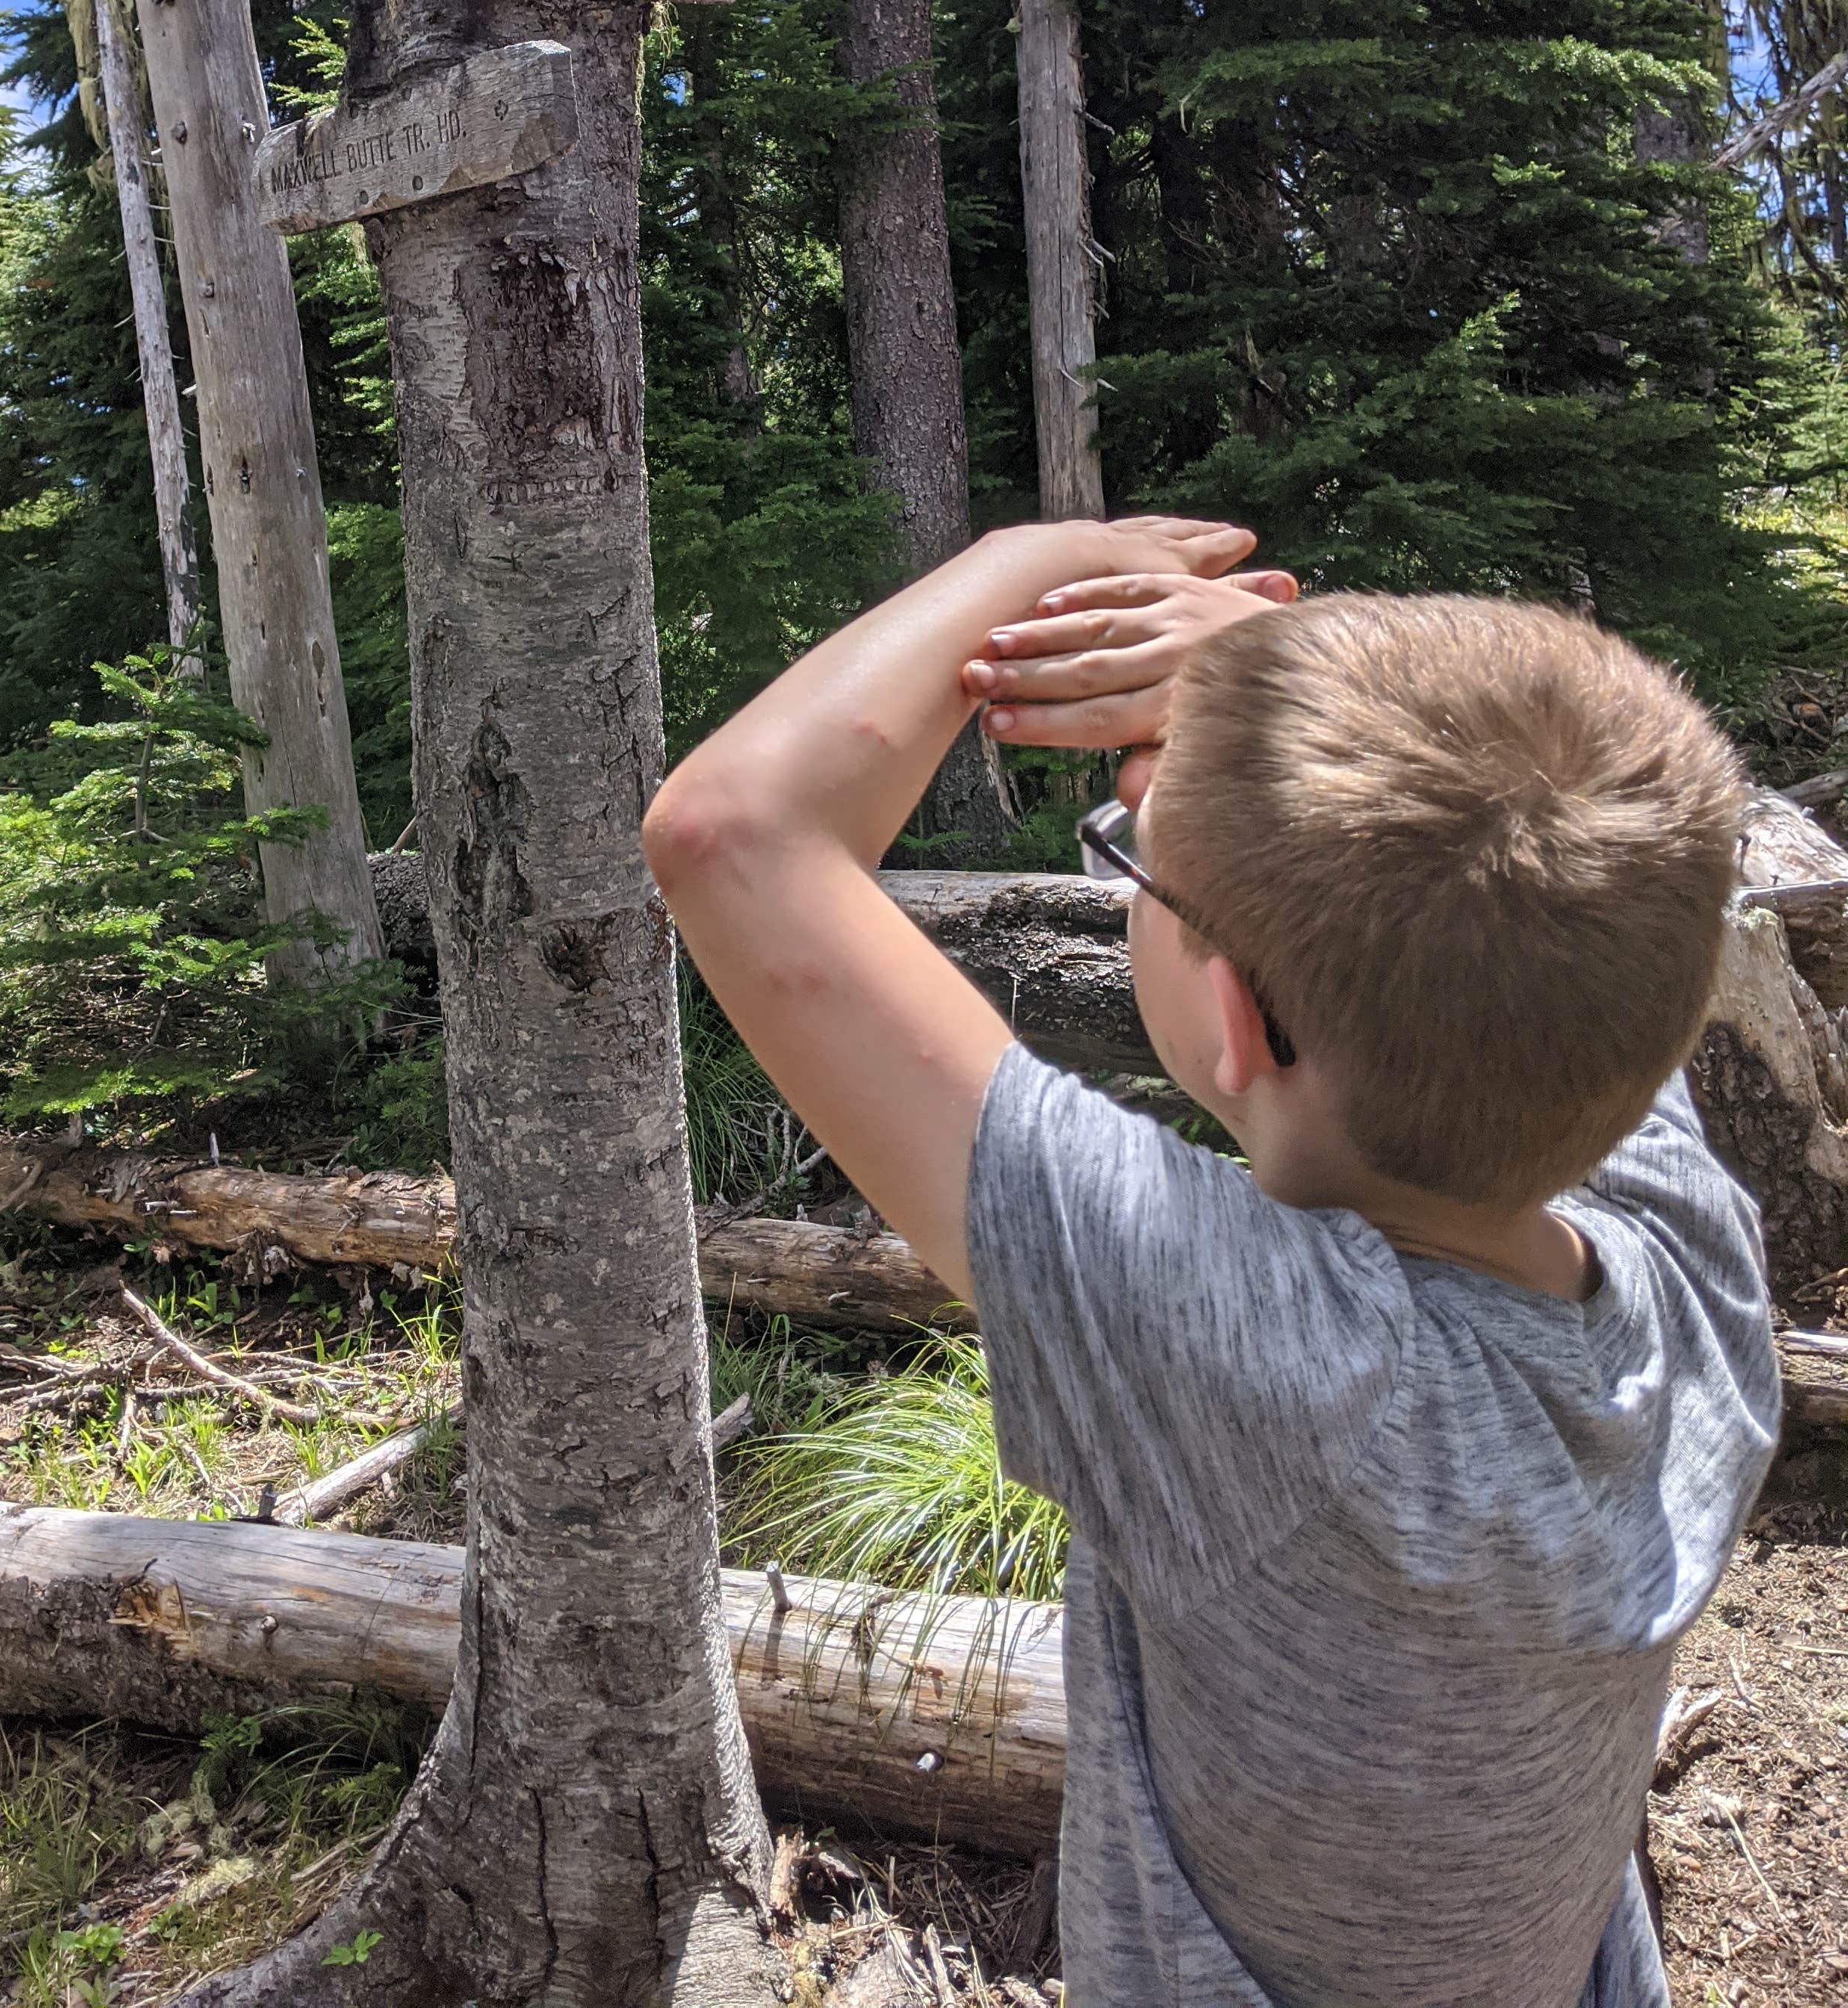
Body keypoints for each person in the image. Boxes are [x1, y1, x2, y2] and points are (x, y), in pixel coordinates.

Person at [642, 516, 1781, 2008]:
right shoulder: (1698, 1274)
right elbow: (1580, 855)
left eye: (1138, 864)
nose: (1127, 861)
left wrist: (1037, 556)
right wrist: (1281, 695)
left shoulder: (1282, 1379)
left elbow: (729, 834)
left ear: (1234, 1020)